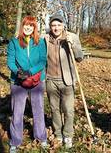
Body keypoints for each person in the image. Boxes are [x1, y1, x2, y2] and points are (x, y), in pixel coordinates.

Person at [7, 16, 47, 153]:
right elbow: (10, 61)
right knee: (17, 112)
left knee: (38, 109)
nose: (28, 27)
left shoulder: (40, 42)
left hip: (37, 80)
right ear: (22, 26)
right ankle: (15, 141)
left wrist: (30, 72)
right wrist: (18, 72)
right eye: (26, 25)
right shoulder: (14, 42)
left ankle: (41, 137)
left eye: (31, 25)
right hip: (18, 82)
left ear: (34, 27)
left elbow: (42, 61)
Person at [44, 14, 84, 148]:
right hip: (50, 79)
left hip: (67, 80)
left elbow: (79, 58)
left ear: (63, 26)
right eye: (53, 25)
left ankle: (68, 135)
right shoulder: (45, 38)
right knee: (54, 109)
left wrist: (73, 46)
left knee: (68, 110)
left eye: (58, 25)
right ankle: (58, 134)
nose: (56, 28)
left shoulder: (71, 37)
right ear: (50, 27)